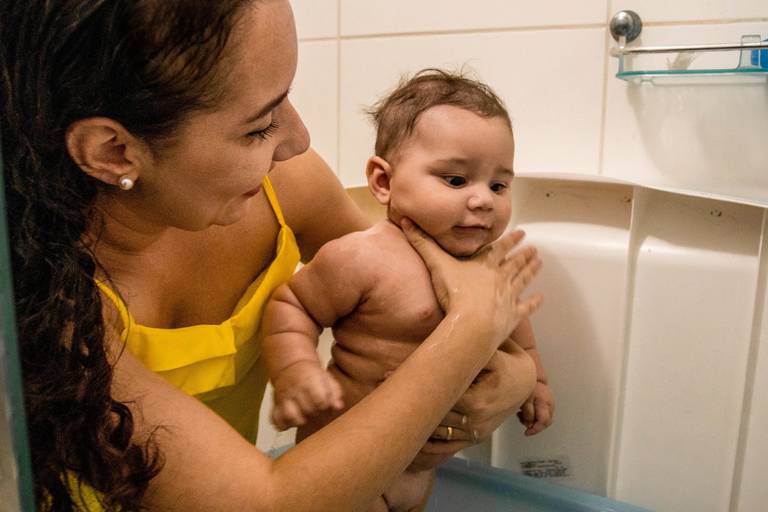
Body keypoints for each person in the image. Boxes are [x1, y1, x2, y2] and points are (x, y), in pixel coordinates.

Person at [0, 1, 543, 511]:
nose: (299, 140)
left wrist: (518, 378)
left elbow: (405, 306)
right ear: (113, 151)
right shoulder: (46, 300)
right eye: (259, 125)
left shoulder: (284, 188)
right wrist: (471, 332)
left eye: (286, 96)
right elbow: (267, 502)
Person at [262, 69, 554, 511]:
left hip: (419, 472)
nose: (483, 200)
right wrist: (297, 372)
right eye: (456, 180)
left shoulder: (490, 268)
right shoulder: (362, 257)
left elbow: (516, 331)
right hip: (345, 468)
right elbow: (292, 306)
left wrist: (536, 382)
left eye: (498, 185)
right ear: (384, 182)